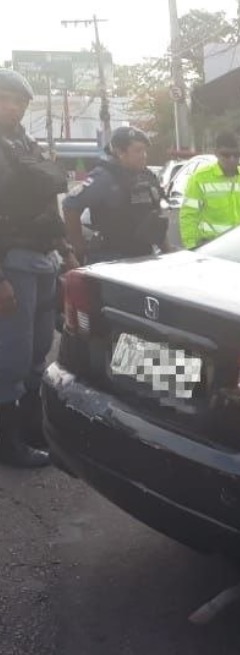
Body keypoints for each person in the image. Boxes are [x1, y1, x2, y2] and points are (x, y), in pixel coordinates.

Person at [0, 69, 80, 467]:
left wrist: (65, 249)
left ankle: (31, 428)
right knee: (10, 356)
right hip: (11, 259)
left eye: (19, 101)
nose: (13, 107)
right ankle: (7, 442)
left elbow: (52, 197)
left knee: (36, 351)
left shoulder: (24, 144)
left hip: (42, 255)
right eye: (5, 98)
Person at [62, 126, 173, 264]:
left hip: (144, 255)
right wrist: (78, 249)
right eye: (138, 150)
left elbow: (155, 217)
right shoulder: (103, 177)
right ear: (120, 152)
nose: (144, 155)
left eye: (145, 150)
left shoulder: (147, 177)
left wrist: (167, 252)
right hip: (112, 258)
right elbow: (70, 206)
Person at [179, 132, 240, 249]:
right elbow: (189, 216)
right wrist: (191, 247)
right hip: (212, 248)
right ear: (216, 153)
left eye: (236, 155)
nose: (232, 159)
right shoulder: (199, 178)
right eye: (226, 155)